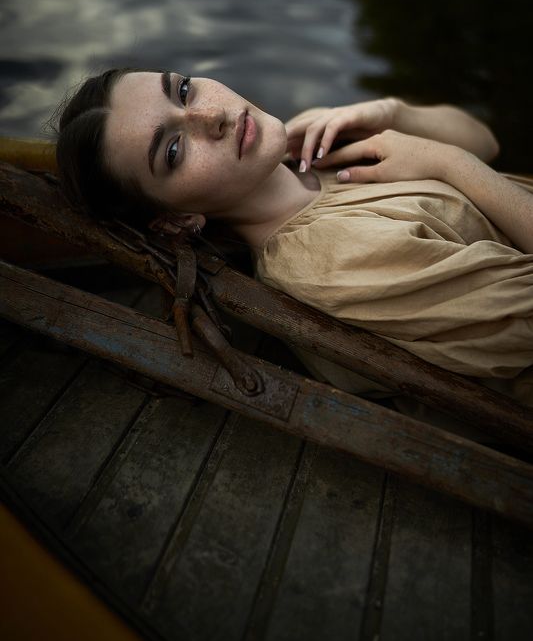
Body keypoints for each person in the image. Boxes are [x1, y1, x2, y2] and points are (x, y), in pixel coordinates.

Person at [54, 68, 533, 407]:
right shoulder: (336, 258)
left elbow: (486, 143)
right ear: (176, 221)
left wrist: (391, 113)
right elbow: (472, 159)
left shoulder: (308, 147)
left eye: (183, 90)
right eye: (174, 149)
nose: (211, 115)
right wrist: (448, 163)